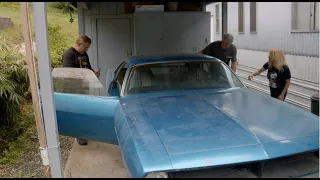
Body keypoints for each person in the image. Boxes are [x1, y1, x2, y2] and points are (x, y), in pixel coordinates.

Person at [62, 35, 101, 146]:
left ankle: (84, 133)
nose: (87, 50)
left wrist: (93, 73)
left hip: (84, 88)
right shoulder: (69, 54)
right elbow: (68, 74)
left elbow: (87, 68)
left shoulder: (84, 54)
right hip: (73, 90)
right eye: (86, 47)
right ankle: (80, 136)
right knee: (77, 113)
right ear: (79, 44)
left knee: (84, 111)